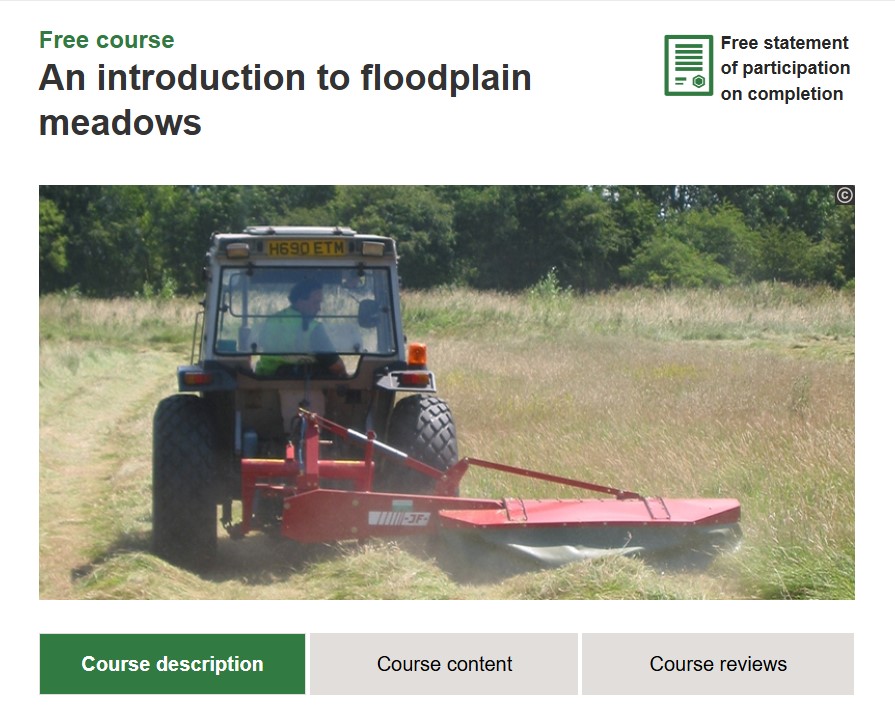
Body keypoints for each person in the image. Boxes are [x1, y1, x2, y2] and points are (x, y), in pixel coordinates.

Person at [254, 279, 348, 378]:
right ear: (300, 302)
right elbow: (336, 367)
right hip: (303, 386)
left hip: (265, 381)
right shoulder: (314, 329)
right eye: (315, 303)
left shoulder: (271, 321)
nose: (319, 308)